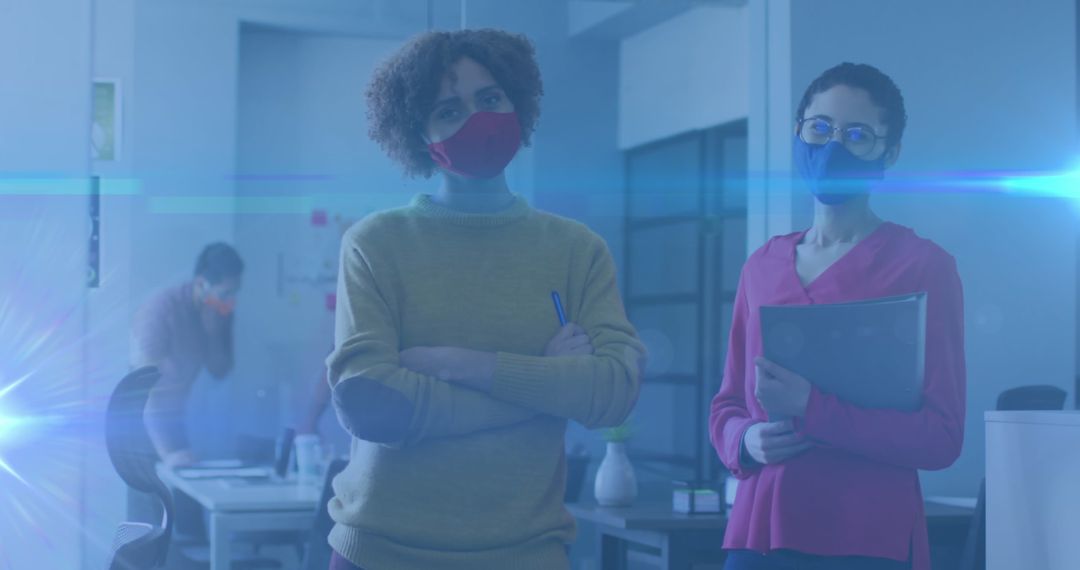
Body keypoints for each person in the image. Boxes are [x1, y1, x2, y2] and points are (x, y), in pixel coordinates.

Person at [325, 28, 646, 570]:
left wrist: (460, 365)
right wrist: (543, 381)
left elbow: (615, 389)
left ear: (517, 102)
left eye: (491, 99)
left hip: (528, 553)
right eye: (449, 110)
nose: (477, 119)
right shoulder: (376, 243)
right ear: (418, 135)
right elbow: (373, 406)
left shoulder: (575, 250)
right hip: (381, 551)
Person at [709, 63, 966, 570]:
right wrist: (746, 439)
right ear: (799, 133)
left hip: (869, 538)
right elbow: (727, 407)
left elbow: (941, 436)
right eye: (819, 128)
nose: (832, 147)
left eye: (857, 135)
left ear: (888, 153)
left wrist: (811, 407)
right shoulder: (761, 266)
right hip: (761, 532)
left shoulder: (923, 267)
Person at [130, 242, 243, 468]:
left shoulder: (220, 312)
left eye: (234, 293)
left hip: (174, 421)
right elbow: (144, 387)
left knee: (185, 498)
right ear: (201, 284)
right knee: (152, 497)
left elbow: (220, 371)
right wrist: (167, 454)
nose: (230, 303)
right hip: (142, 424)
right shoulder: (161, 310)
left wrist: (213, 334)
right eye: (225, 293)